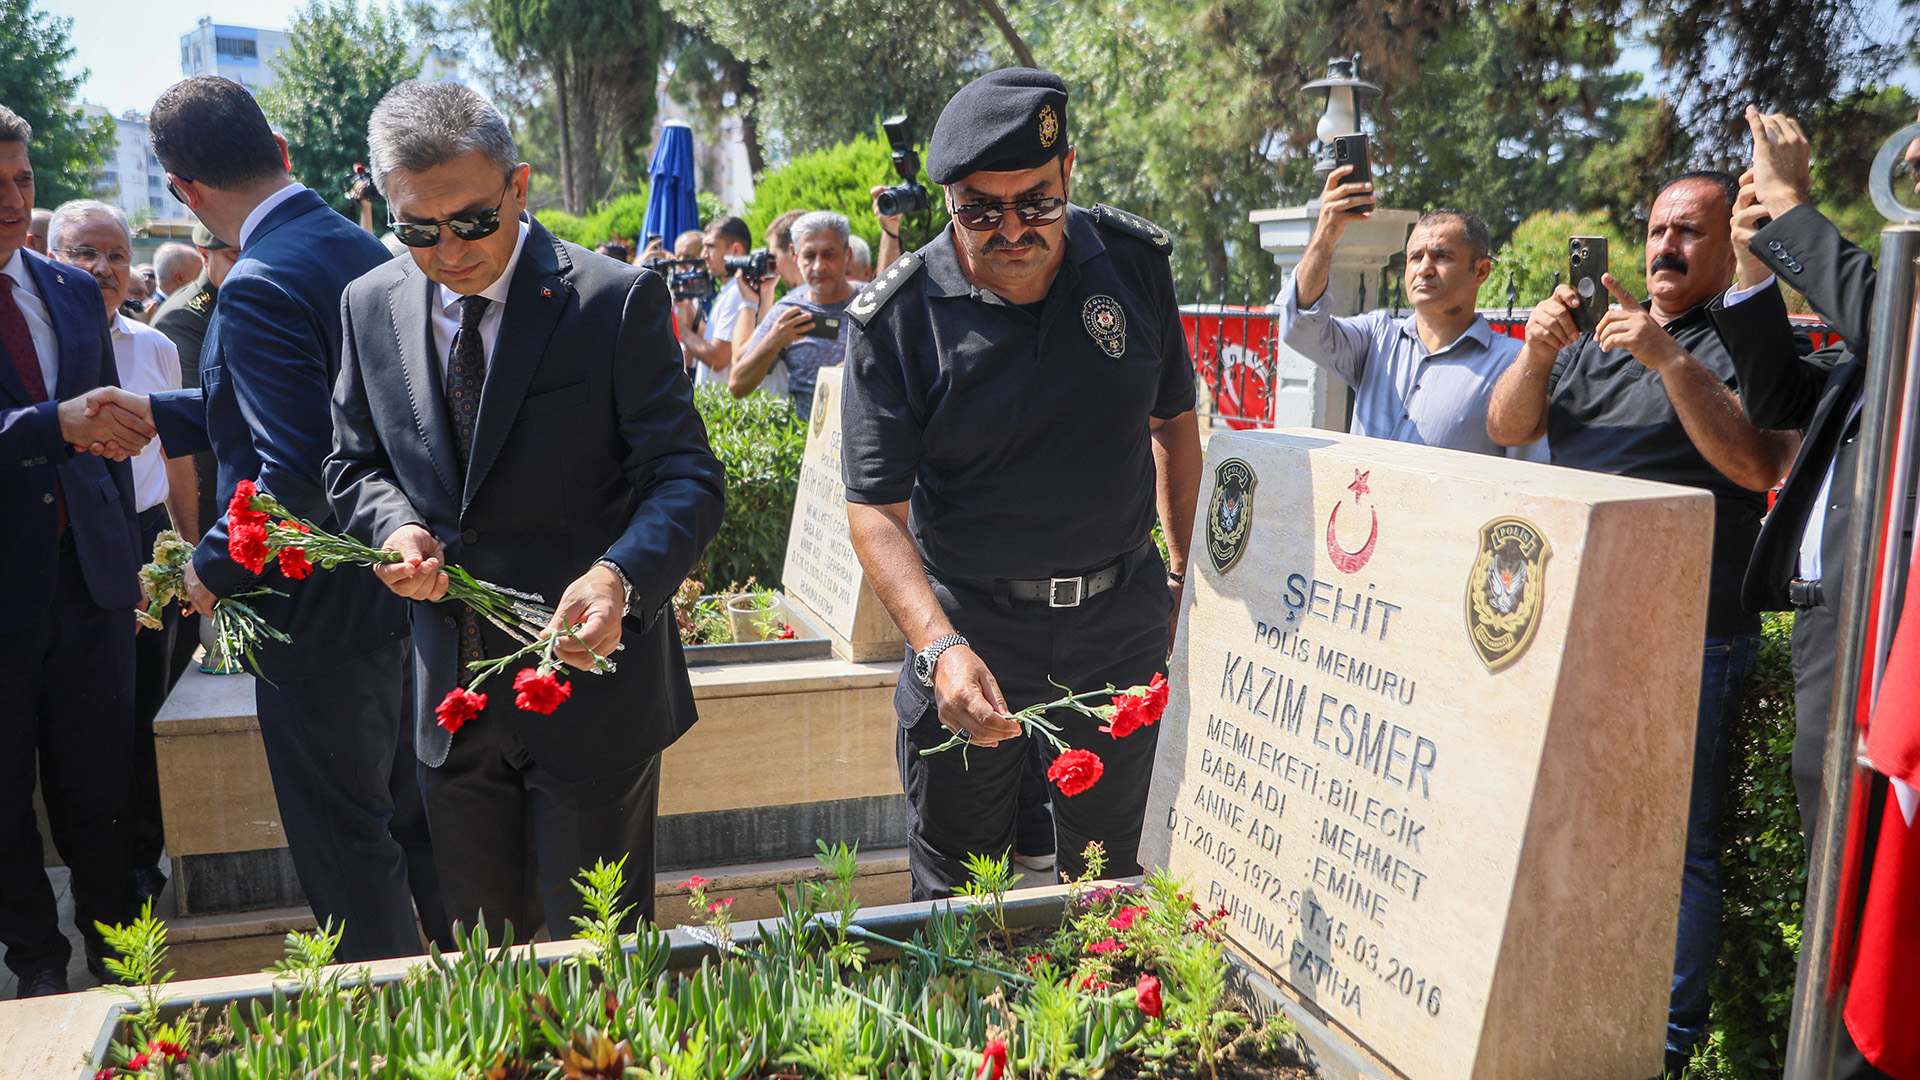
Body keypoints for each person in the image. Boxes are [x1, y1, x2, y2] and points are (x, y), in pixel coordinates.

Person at [328, 80, 724, 941]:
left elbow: (686, 476)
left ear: (520, 184)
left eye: (471, 221)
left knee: (597, 968)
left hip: (591, 699)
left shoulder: (613, 300)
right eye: (417, 230)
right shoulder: (368, 304)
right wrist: (392, 526)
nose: (448, 250)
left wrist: (620, 575)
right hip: (452, 704)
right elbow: (352, 461)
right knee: (484, 968)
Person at [841, 68, 1203, 898]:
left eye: (1037, 202)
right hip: (972, 632)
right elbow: (876, 510)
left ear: (1068, 173)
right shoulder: (896, 319)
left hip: (1120, 627)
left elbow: (1173, 423)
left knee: (1119, 886)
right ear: (948, 204)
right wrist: (938, 647)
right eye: (982, 210)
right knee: (964, 897)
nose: (1012, 228)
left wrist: (1184, 573)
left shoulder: (1134, 265)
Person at [1486, 168, 1801, 1072]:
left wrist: (1669, 360)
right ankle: (1577, 997)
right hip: (1581, 625)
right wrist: (1539, 353)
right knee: (1569, 822)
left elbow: (1753, 465)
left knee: (1677, 847)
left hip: (1692, 634)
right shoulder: (1596, 337)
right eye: (1658, 230)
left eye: (1689, 233)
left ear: (1723, 247)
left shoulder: (1740, 338)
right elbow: (1510, 427)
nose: (1665, 247)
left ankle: (1666, 1045)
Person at [133, 76, 448, 963]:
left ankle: (395, 1040)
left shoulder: (262, 281)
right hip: (399, 590)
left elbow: (296, 471)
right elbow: (329, 411)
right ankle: (475, 1022)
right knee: (418, 835)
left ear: (182, 191)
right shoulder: (359, 246)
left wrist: (209, 568)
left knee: (351, 853)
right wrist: (161, 412)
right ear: (278, 147)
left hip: (316, 615)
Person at [1709, 100, 1900, 1080]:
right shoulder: (1889, 327)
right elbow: (1788, 404)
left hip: (1893, 648)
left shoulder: (1902, 325)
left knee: (1878, 902)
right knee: (1843, 893)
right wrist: (1753, 266)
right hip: (1839, 637)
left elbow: (1896, 338)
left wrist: (1791, 209)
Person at [0, 103, 150, 998]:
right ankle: (38, 970)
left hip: (92, 579)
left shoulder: (65, 288)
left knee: (103, 786)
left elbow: (94, 422)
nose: (13, 201)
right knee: (5, 802)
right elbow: (54, 424)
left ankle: (127, 963)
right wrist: (51, 427)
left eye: (21, 181)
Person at [48, 200, 199, 902]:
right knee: (76, 723)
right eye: (84, 252)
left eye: (114, 254)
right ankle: (94, 876)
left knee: (144, 706)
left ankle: (143, 860)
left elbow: (176, 461)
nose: (102, 268)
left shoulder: (155, 347)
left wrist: (193, 552)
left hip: (145, 544)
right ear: (53, 259)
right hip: (60, 546)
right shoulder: (38, 346)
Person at [1280, 172, 1545, 459]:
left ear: (1481, 271)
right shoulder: (1376, 337)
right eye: (1416, 257)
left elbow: (1527, 471)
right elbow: (1301, 325)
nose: (1424, 269)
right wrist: (1325, 234)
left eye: (1442, 256)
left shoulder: (1514, 364)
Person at [150, 223, 236, 549]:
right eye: (234, 254)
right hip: (214, 492)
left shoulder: (252, 297)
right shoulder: (184, 317)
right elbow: (196, 410)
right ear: (205, 256)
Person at [732, 210, 861, 416]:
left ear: (848, 254)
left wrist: (860, 368)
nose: (819, 266)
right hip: (810, 443)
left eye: (829, 254)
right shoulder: (787, 312)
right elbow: (737, 385)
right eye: (809, 256)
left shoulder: (874, 301)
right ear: (795, 255)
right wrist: (773, 341)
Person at [728, 210, 806, 378]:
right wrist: (767, 292)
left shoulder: (793, 307)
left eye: (774, 257)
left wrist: (748, 303)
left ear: (793, 252)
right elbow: (762, 337)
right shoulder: (822, 296)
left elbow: (741, 359)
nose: (773, 266)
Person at [681, 215, 754, 390]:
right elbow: (715, 341)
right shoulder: (730, 289)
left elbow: (718, 358)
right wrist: (690, 315)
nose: (704, 255)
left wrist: (680, 328)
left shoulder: (738, 291)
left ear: (735, 250)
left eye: (711, 247)